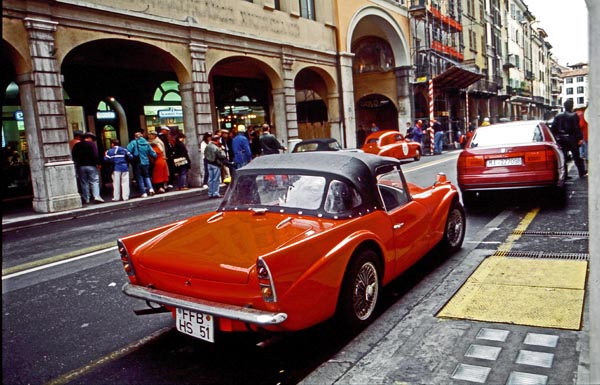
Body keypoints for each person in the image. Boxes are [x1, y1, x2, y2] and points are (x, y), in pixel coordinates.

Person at [552, 99, 587, 178]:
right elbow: (576, 128)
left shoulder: (558, 116)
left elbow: (553, 128)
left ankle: (565, 175)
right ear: (571, 106)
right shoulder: (574, 115)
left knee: (564, 157)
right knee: (576, 156)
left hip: (561, 139)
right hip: (572, 138)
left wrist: (557, 137)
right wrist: (580, 138)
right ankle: (581, 172)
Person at [72, 132, 104, 203]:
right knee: (94, 181)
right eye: (92, 139)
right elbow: (95, 155)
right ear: (89, 138)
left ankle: (86, 198)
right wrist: (98, 163)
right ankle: (96, 196)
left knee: (84, 182)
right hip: (91, 166)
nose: (92, 140)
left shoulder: (77, 145)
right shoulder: (92, 145)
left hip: (81, 166)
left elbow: (74, 155)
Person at [127, 132, 157, 197]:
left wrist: (131, 157)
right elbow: (153, 153)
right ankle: (151, 189)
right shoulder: (146, 143)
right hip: (146, 162)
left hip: (137, 162)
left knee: (139, 177)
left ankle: (144, 193)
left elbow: (128, 151)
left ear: (135, 137)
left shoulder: (133, 142)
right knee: (147, 176)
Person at [204, 133, 227, 198]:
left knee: (210, 179)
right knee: (216, 179)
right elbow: (223, 156)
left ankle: (210, 193)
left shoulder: (208, 146)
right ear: (217, 140)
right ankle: (215, 193)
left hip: (209, 163)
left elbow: (205, 154)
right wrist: (222, 149)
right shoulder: (216, 147)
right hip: (216, 164)